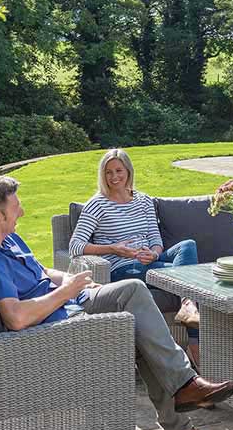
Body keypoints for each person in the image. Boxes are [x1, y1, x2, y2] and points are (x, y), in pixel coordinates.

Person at [0, 174, 233, 430]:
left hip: (73, 301)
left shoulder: (9, 240)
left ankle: (182, 408)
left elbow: (42, 273)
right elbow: (16, 318)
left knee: (137, 304)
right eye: (16, 206)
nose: (22, 211)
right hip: (59, 323)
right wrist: (66, 292)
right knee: (140, 320)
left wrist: (72, 280)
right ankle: (181, 413)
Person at [69, 149, 201, 368]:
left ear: (128, 171)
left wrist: (155, 253)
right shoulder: (97, 204)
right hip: (124, 267)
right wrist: (114, 248)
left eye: (119, 170)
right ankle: (194, 341)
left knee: (188, 246)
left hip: (151, 261)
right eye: (108, 172)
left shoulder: (144, 201)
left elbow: (155, 240)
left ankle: (187, 304)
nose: (114, 177)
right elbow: (76, 246)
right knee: (191, 277)